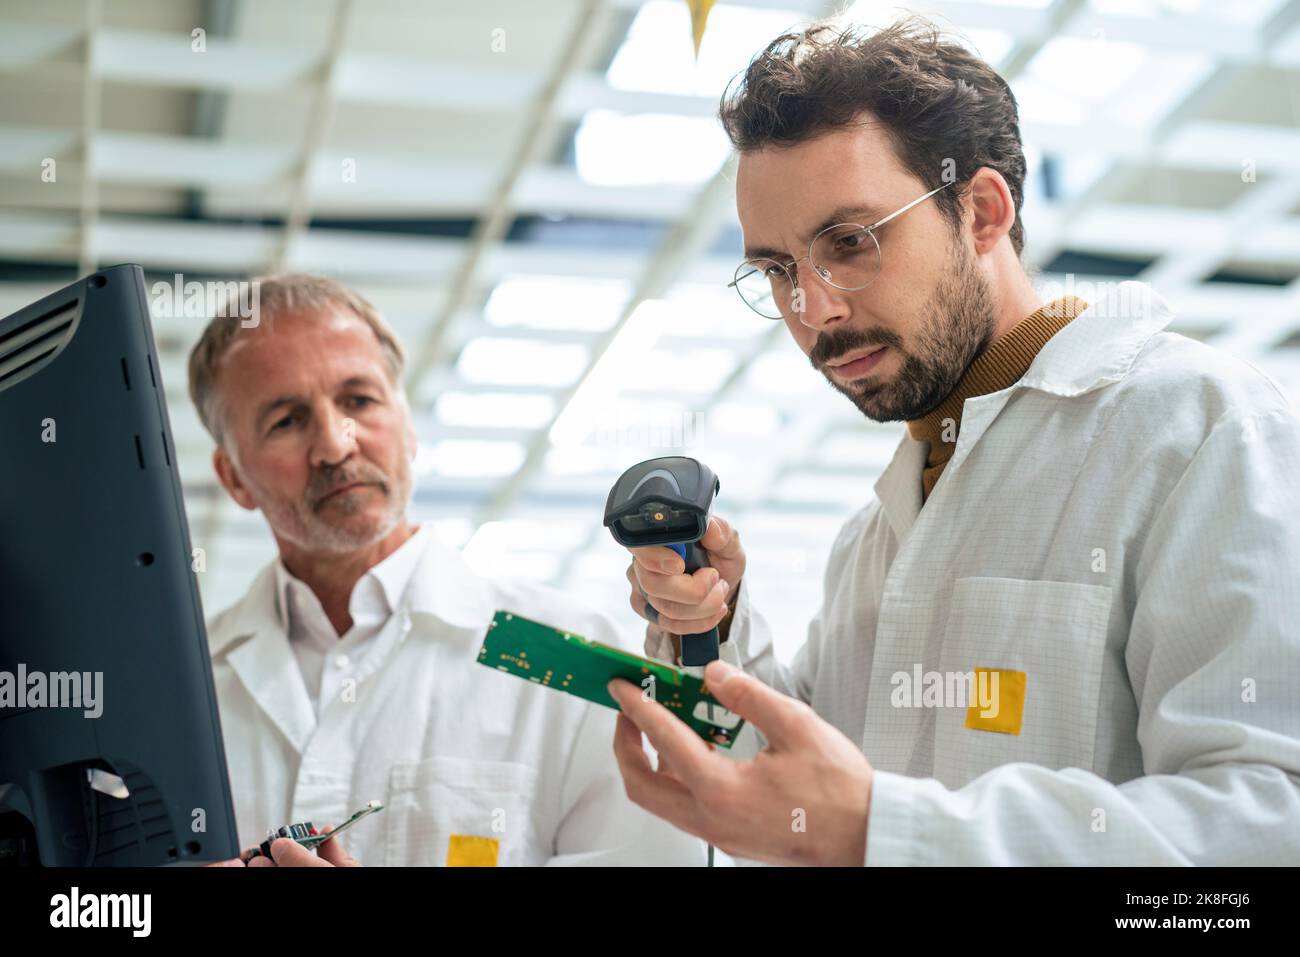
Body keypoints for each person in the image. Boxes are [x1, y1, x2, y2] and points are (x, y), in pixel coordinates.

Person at [609, 18, 1300, 866]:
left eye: (850, 243)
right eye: (779, 270)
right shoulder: (876, 534)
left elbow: (1267, 826)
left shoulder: (1202, 430)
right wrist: (712, 623)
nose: (813, 310)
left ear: (980, 211)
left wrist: (883, 831)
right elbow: (804, 791)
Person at [188, 274, 703, 866]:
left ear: (407, 426)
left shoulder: (572, 660)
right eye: (286, 421)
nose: (335, 445)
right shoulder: (181, 687)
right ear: (233, 479)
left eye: (358, 401)